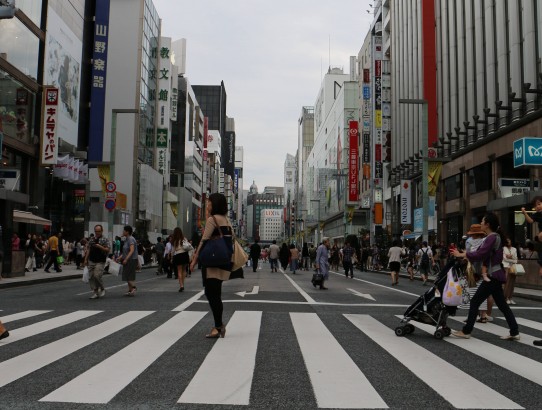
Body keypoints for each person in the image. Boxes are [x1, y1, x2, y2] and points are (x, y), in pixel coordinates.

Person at [451, 212, 520, 341]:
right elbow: (482, 254)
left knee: (475, 301)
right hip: (495, 274)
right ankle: (514, 331)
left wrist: (461, 255)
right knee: (502, 305)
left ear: (487, 224)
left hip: (492, 275)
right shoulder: (494, 237)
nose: (481, 223)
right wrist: (466, 253)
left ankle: (466, 331)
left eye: (482, 221)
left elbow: (481, 254)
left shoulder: (491, 237)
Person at [190, 193, 232, 339]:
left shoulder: (212, 220)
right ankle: (218, 325)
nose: (207, 206)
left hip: (212, 261)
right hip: (223, 260)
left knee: (211, 294)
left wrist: (195, 259)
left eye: (209, 203)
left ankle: (218, 326)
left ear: (215, 205)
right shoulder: (226, 220)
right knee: (216, 294)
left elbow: (204, 240)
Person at [84, 224, 110, 299]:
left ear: (102, 231)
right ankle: (95, 292)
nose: (97, 232)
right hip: (92, 260)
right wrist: (85, 259)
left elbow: (108, 249)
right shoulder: (91, 239)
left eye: (99, 231)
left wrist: (99, 246)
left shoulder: (105, 239)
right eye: (96, 231)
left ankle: (102, 288)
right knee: (91, 277)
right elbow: (88, 249)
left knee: (97, 275)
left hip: (100, 260)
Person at [521, 196, 542, 276]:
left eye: (539, 204)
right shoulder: (537, 214)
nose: (537, 207)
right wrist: (525, 213)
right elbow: (530, 221)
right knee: (539, 244)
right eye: (535, 206)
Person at [118, 225, 138, 296]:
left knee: (127, 275)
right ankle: (130, 290)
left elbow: (132, 250)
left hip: (131, 259)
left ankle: (134, 287)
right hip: (128, 259)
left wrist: (126, 259)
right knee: (128, 275)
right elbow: (125, 251)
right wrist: (120, 257)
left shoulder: (131, 239)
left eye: (124, 230)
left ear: (127, 232)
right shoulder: (126, 239)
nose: (123, 232)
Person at [172, 227, 192, 292]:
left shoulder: (175, 240)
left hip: (178, 255)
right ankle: (183, 284)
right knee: (184, 270)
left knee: (179, 271)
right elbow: (188, 247)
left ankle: (181, 285)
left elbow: (173, 250)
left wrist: (171, 256)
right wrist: (189, 256)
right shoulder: (184, 239)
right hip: (185, 255)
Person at [502, 238, 518, 305]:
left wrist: (510, 258)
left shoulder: (514, 249)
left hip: (513, 267)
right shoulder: (503, 248)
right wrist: (511, 258)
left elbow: (516, 259)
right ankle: (505, 298)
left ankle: (510, 297)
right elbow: (504, 259)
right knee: (506, 283)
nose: (508, 242)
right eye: (507, 241)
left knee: (512, 283)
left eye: (509, 240)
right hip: (506, 267)